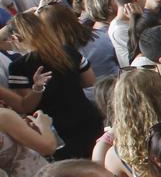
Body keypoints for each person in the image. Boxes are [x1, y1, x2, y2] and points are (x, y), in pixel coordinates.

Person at [6, 11, 101, 159]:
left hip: (59, 132)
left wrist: (38, 89)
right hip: (88, 117)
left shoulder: (18, 67)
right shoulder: (68, 51)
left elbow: (27, 106)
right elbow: (90, 81)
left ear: (14, 38)